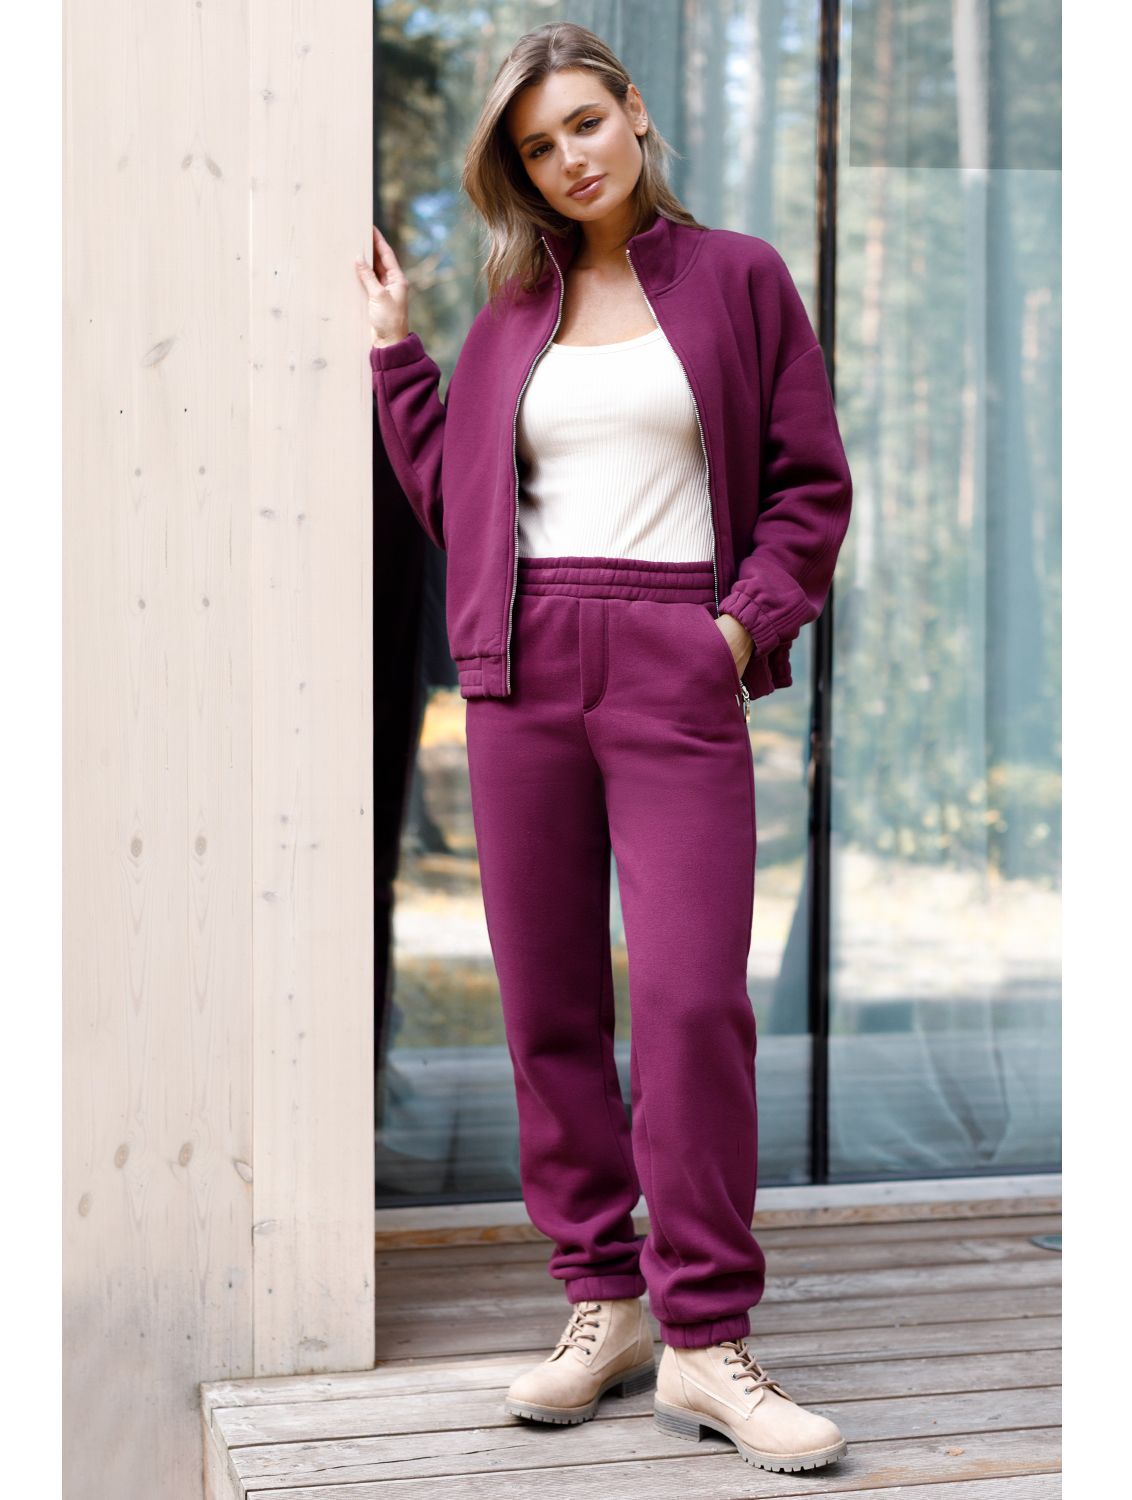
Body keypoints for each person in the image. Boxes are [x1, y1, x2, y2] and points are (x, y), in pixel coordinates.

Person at [356, 21, 852, 1476]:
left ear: (633, 112)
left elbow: (810, 488)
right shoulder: (517, 307)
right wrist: (395, 354)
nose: (569, 158)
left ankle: (708, 1338)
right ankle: (606, 1302)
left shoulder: (740, 278)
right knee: (549, 1007)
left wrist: (734, 632)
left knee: (693, 1003)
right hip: (524, 672)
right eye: (537, 146)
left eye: (584, 122)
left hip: (674, 657)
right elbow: (459, 500)